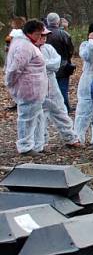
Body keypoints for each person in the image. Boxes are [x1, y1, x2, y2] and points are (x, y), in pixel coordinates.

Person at [4, 20, 48, 155]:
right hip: (29, 89)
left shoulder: (24, 43)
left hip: (34, 88)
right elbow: (15, 68)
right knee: (27, 118)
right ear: (30, 33)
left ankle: (36, 144)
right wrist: (10, 83)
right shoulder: (24, 46)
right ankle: (25, 146)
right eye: (37, 34)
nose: (40, 37)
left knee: (37, 117)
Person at [38, 35, 81, 147]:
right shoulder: (30, 49)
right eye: (41, 35)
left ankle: (70, 138)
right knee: (40, 115)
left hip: (52, 84)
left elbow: (56, 62)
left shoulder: (48, 48)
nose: (43, 38)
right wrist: (44, 65)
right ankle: (39, 142)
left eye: (44, 35)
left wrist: (44, 64)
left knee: (60, 110)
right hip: (37, 85)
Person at [45, 12, 75, 112]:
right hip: (63, 65)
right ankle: (65, 107)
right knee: (62, 88)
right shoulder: (64, 34)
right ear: (58, 21)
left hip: (47, 65)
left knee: (47, 88)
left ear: (48, 21)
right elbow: (70, 50)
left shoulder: (42, 34)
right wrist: (66, 59)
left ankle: (50, 108)